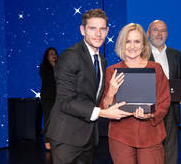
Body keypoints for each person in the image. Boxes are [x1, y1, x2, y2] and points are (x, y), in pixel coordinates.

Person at [45, 9, 132, 164]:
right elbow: (66, 102)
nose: (98, 34)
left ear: (107, 31)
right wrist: (104, 113)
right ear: (82, 30)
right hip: (66, 137)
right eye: (92, 28)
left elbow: (91, 97)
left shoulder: (101, 59)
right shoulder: (70, 56)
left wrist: (111, 94)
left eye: (102, 29)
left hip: (88, 137)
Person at [100, 23, 171, 164]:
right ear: (121, 44)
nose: (132, 46)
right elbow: (103, 107)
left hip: (151, 133)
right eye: (128, 41)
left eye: (137, 41)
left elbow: (164, 101)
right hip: (120, 135)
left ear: (144, 45)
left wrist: (150, 114)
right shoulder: (111, 71)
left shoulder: (156, 68)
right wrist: (110, 93)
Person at [147, 20, 181, 164]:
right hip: (150, 111)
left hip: (172, 108)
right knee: (151, 152)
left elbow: (178, 79)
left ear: (167, 34)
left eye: (163, 30)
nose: (159, 34)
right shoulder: (141, 54)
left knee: (171, 152)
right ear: (148, 33)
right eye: (155, 30)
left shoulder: (175, 54)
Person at [39, 47, 58, 150]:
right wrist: (54, 68)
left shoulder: (60, 66)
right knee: (48, 119)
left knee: (58, 120)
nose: (54, 55)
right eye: (51, 54)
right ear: (47, 56)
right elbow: (48, 80)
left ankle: (57, 141)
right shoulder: (44, 67)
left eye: (55, 53)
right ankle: (47, 141)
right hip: (47, 97)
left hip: (58, 97)